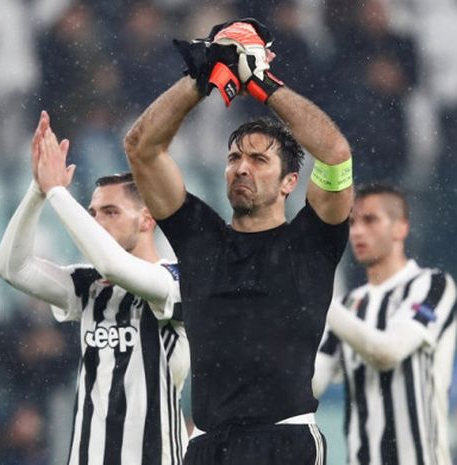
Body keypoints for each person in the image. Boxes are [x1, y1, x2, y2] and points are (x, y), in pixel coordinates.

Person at [123, 18, 353, 464]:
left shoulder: (312, 240)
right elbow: (141, 148)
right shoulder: (200, 237)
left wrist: (261, 82)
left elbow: (335, 153)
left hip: (285, 442)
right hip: (207, 445)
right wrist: (203, 77)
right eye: (234, 158)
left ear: (290, 182)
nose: (241, 168)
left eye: (258, 159)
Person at [0, 111, 189, 465]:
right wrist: (37, 191)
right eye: (93, 212)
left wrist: (57, 192)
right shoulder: (89, 285)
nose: (97, 222)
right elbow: (12, 267)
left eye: (110, 212)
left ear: (147, 219)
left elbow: (114, 264)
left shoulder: (175, 281)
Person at [313, 184, 456, 465]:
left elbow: (387, 352)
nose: (357, 232)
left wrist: (318, 297)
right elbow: (312, 385)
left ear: (401, 228)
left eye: (370, 220)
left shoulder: (433, 285)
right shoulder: (347, 306)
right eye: (352, 222)